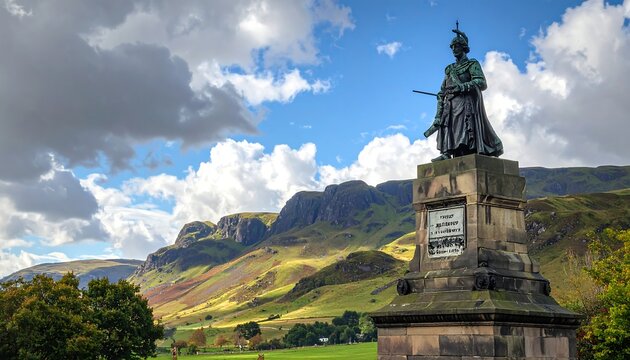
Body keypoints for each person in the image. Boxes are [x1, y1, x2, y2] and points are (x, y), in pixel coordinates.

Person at [424, 27, 503, 162]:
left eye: (457, 46)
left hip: (464, 102)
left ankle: (468, 150)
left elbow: (481, 82)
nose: (454, 49)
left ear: (464, 47)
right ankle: (447, 152)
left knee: (463, 128)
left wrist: (463, 86)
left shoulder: (472, 64)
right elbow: (443, 88)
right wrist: (441, 96)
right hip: (450, 104)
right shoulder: (450, 69)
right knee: (448, 126)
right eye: (452, 47)